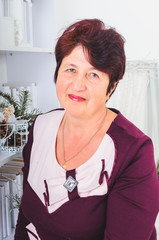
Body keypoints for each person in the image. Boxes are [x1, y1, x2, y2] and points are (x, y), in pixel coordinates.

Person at [15, 19, 159, 240]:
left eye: (93, 74)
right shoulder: (41, 126)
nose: (77, 85)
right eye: (70, 69)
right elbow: (26, 221)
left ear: (111, 87)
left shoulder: (135, 151)